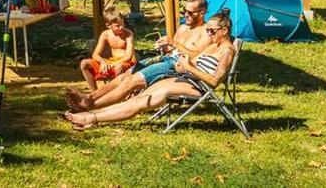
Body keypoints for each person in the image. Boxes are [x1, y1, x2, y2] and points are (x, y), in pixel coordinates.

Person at [65, 8, 235, 130]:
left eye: (212, 31)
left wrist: (189, 67)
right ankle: (91, 113)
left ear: (224, 30)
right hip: (186, 78)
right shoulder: (213, 45)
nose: (209, 34)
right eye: (208, 31)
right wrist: (183, 65)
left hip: (198, 86)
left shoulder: (226, 51)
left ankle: (91, 118)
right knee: (140, 97)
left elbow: (215, 80)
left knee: (141, 103)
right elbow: (194, 61)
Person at [66, 0, 211, 112]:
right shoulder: (183, 28)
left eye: (190, 12)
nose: (186, 15)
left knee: (132, 81)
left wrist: (174, 43)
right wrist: (166, 47)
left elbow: (198, 55)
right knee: (125, 76)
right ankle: (90, 97)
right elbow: (173, 49)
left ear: (202, 13)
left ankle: (90, 105)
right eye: (184, 11)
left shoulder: (206, 32)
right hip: (164, 59)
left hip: (175, 66)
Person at [79, 6, 136, 91]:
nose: (121, 27)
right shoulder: (105, 34)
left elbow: (128, 56)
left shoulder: (128, 34)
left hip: (126, 63)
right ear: (108, 25)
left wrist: (115, 64)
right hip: (112, 61)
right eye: (117, 26)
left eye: (122, 24)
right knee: (84, 63)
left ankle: (117, 93)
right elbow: (95, 54)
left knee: (119, 67)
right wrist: (103, 62)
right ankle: (94, 93)